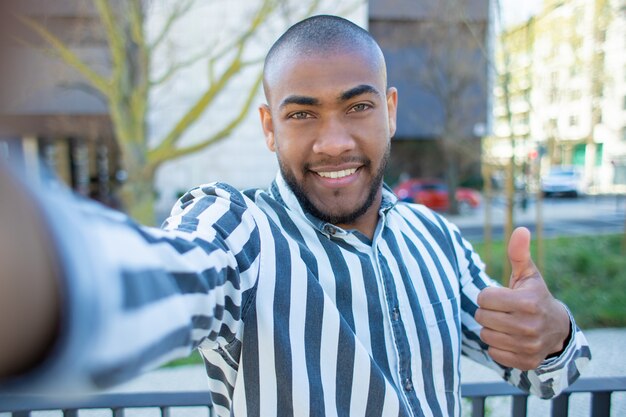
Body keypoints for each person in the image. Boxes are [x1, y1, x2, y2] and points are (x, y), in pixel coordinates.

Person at [0, 15, 590, 417]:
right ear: (268, 127)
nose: (334, 142)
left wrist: (552, 330)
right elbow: (147, 282)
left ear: (388, 111)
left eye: (357, 106)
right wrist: (39, 262)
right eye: (303, 115)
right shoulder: (238, 232)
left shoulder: (434, 238)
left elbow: (544, 377)